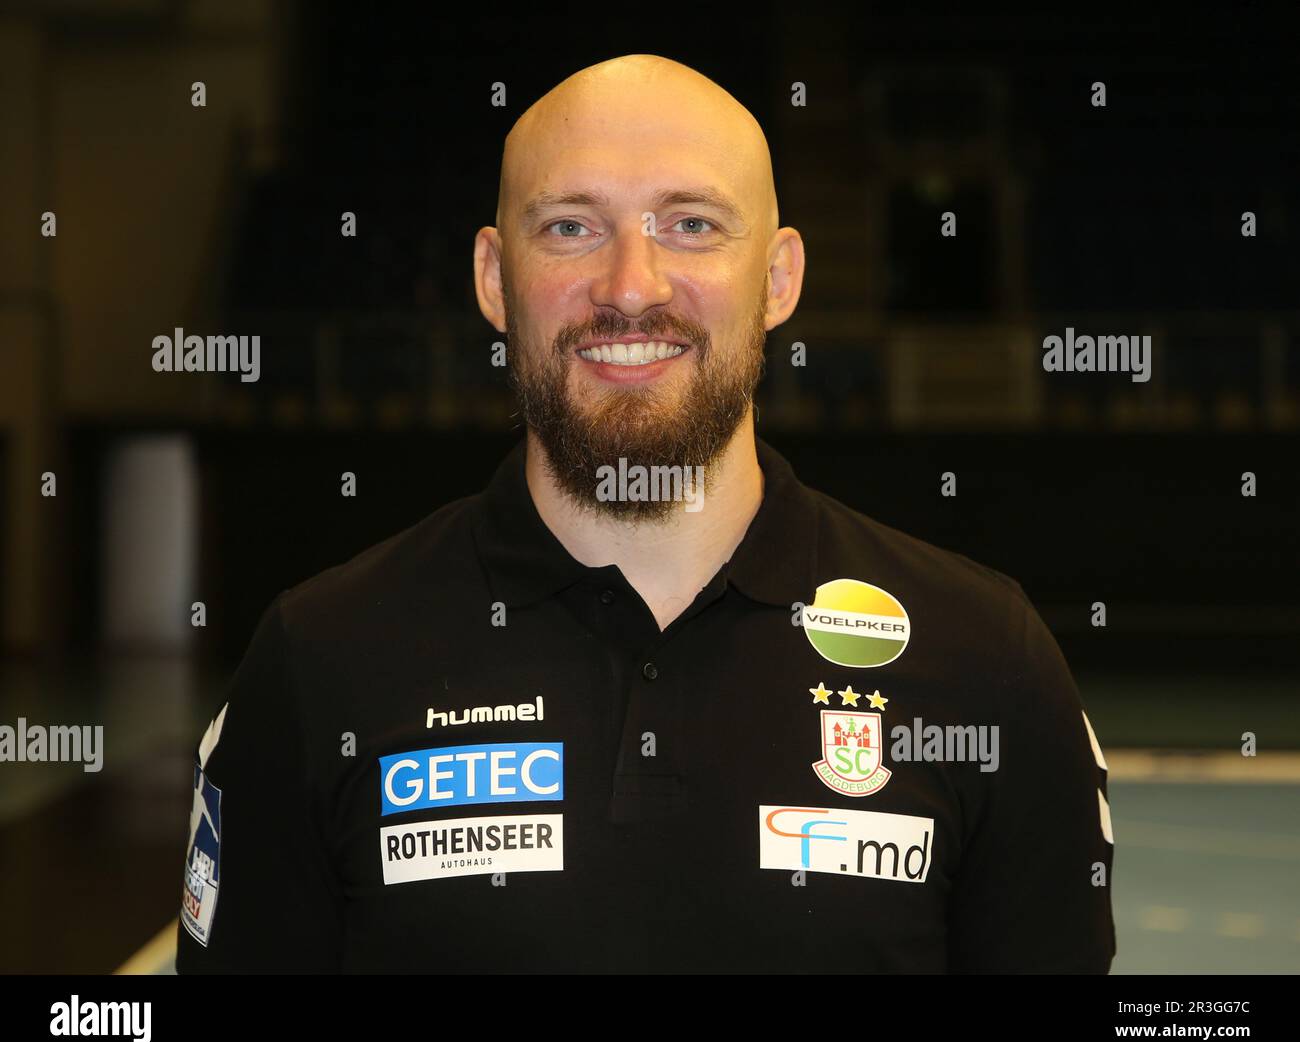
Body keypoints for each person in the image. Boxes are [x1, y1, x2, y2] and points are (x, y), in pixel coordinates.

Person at [176, 54, 1115, 974]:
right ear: (495, 279)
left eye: (693, 224)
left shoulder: (989, 663)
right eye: (573, 227)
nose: (632, 286)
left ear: (780, 279)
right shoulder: (319, 660)